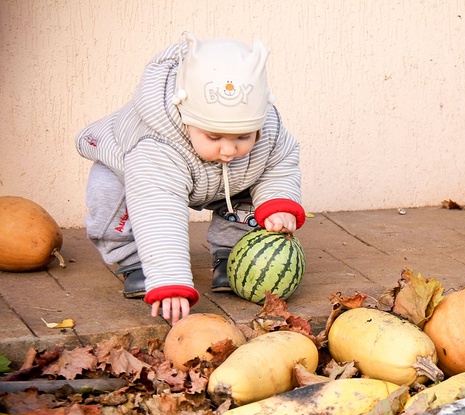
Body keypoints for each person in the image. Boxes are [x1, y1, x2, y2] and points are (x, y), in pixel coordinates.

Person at [76, 32, 304, 325]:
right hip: (138, 176)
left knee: (255, 191)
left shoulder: (266, 129)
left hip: (219, 180)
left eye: (243, 136)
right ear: (185, 116)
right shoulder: (156, 143)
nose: (228, 149)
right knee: (109, 190)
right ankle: (135, 262)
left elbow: (280, 161)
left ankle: (233, 254)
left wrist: (278, 201)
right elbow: (158, 210)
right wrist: (169, 279)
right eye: (213, 136)